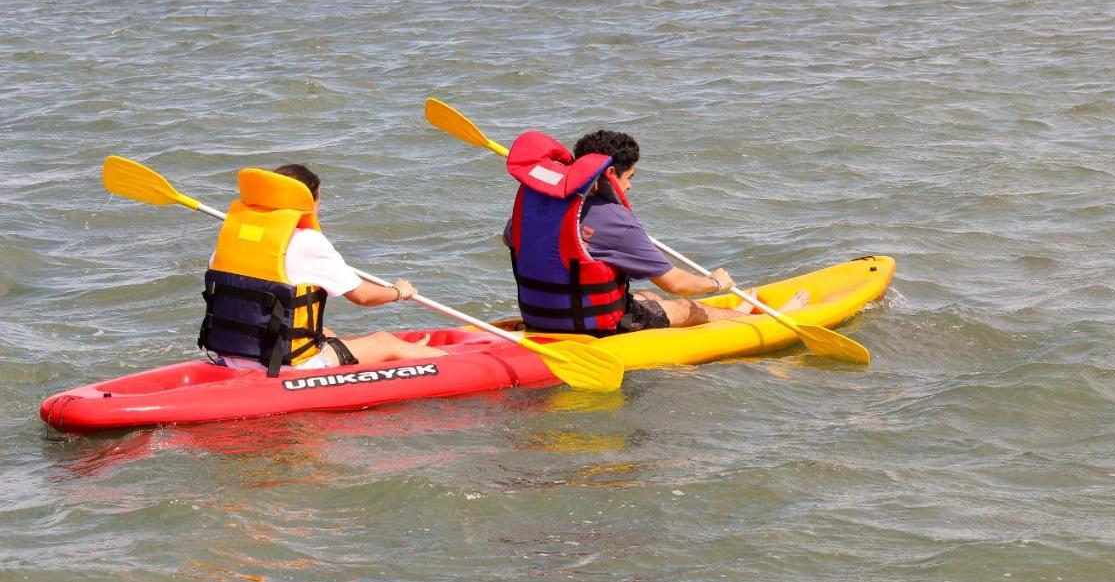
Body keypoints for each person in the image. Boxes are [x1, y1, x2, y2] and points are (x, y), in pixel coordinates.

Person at [504, 129, 807, 335]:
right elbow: (677, 284)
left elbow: (514, 239)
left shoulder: (535, 208)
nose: (631, 186)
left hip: (539, 318)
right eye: (629, 176)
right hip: (592, 329)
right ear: (610, 174)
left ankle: (737, 312)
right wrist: (716, 282)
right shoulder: (614, 220)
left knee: (647, 295)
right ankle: (769, 321)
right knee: (686, 308)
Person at [201, 164, 444, 375]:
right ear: (308, 202)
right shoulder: (308, 242)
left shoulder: (231, 240)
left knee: (326, 332)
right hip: (282, 365)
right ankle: (446, 362)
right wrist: (398, 292)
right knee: (386, 342)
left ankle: (403, 356)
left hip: (233, 355)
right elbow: (364, 297)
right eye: (318, 199)